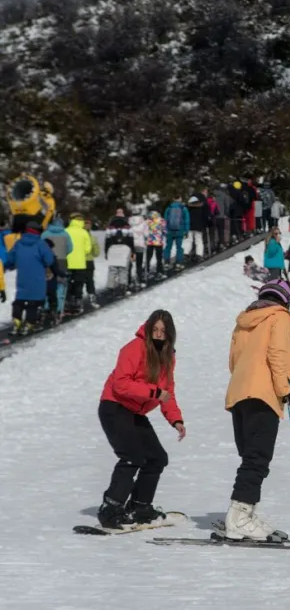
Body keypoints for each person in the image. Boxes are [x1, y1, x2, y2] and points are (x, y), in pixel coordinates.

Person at [96, 310, 185, 529]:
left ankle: (140, 506)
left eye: (163, 331)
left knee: (157, 458)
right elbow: (121, 384)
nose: (158, 334)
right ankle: (110, 509)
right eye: (154, 329)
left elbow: (168, 392)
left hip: (134, 412)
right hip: (114, 406)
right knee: (132, 456)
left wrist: (176, 420)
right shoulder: (134, 348)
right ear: (148, 329)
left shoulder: (167, 356)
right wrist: (153, 392)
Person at [223, 279, 290, 541]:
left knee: (251, 457)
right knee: (257, 458)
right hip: (263, 393)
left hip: (239, 392)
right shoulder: (279, 317)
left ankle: (247, 513)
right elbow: (277, 354)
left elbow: (233, 359)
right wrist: (284, 389)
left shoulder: (245, 319)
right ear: (285, 300)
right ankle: (239, 518)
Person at [4, 221, 55, 335]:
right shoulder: (41, 244)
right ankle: (29, 323)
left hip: (23, 277)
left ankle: (17, 320)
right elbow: (49, 260)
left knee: (20, 300)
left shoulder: (18, 243)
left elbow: (11, 259)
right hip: (37, 278)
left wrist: (8, 266)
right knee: (33, 302)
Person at [41, 215, 72, 313]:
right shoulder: (65, 234)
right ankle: (58, 305)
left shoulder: (45, 234)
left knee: (47, 282)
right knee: (60, 283)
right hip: (61, 260)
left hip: (47, 261)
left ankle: (46, 305)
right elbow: (70, 248)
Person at [65, 213, 93, 314]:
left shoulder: (66, 231)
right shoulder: (84, 232)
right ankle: (77, 301)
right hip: (80, 263)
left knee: (68, 284)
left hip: (67, 263)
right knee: (78, 284)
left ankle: (68, 302)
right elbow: (88, 249)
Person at [105, 219, 135, 298]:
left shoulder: (110, 227)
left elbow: (107, 240)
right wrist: (133, 251)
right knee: (123, 270)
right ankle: (122, 288)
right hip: (125, 249)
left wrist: (106, 251)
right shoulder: (127, 227)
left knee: (112, 270)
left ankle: (110, 288)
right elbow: (131, 240)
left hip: (112, 249)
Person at [163, 197, 190, 268]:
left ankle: (166, 262)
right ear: (180, 199)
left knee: (168, 247)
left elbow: (165, 220)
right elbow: (186, 220)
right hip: (180, 231)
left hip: (169, 230)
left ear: (173, 199)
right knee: (179, 247)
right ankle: (178, 262)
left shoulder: (168, 208)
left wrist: (165, 230)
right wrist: (186, 231)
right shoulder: (183, 208)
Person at [127, 209, 148, 288]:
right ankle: (140, 279)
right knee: (139, 263)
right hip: (140, 244)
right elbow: (146, 234)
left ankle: (129, 281)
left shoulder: (129, 222)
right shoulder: (143, 222)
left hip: (131, 246)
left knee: (130, 262)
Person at [145, 210, 166, 279]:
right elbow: (165, 230)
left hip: (150, 242)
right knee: (159, 258)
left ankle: (146, 270)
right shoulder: (161, 221)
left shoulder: (147, 222)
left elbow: (144, 231)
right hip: (158, 242)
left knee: (148, 257)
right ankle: (159, 271)